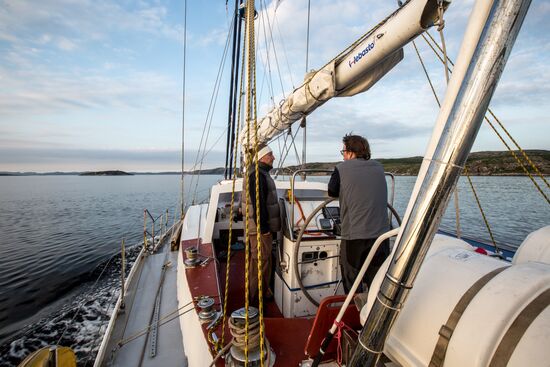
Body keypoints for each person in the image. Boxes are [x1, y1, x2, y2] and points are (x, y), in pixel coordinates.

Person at [328, 133, 389, 293]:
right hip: (381, 237)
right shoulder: (379, 167)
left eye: (343, 152)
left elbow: (332, 191)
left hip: (354, 237)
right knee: (376, 280)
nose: (343, 156)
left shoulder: (341, 169)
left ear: (349, 152)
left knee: (352, 280)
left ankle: (353, 310)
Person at [243, 144, 281, 304]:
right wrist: (264, 228)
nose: (273, 157)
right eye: (270, 154)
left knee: (261, 261)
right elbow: (258, 205)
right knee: (261, 263)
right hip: (260, 229)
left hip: (258, 228)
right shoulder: (257, 175)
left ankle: (262, 292)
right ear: (262, 157)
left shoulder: (258, 173)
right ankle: (255, 301)